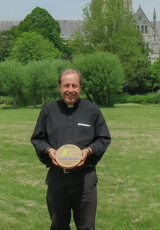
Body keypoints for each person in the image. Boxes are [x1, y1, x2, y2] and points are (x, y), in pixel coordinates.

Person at [30, 69, 112, 230]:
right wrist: (49, 150)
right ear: (60, 87)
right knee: (58, 226)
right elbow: (37, 139)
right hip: (57, 179)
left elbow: (104, 138)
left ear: (80, 87)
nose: (70, 90)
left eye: (74, 85)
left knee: (87, 227)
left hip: (85, 180)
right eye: (66, 85)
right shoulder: (48, 111)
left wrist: (88, 151)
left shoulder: (92, 110)